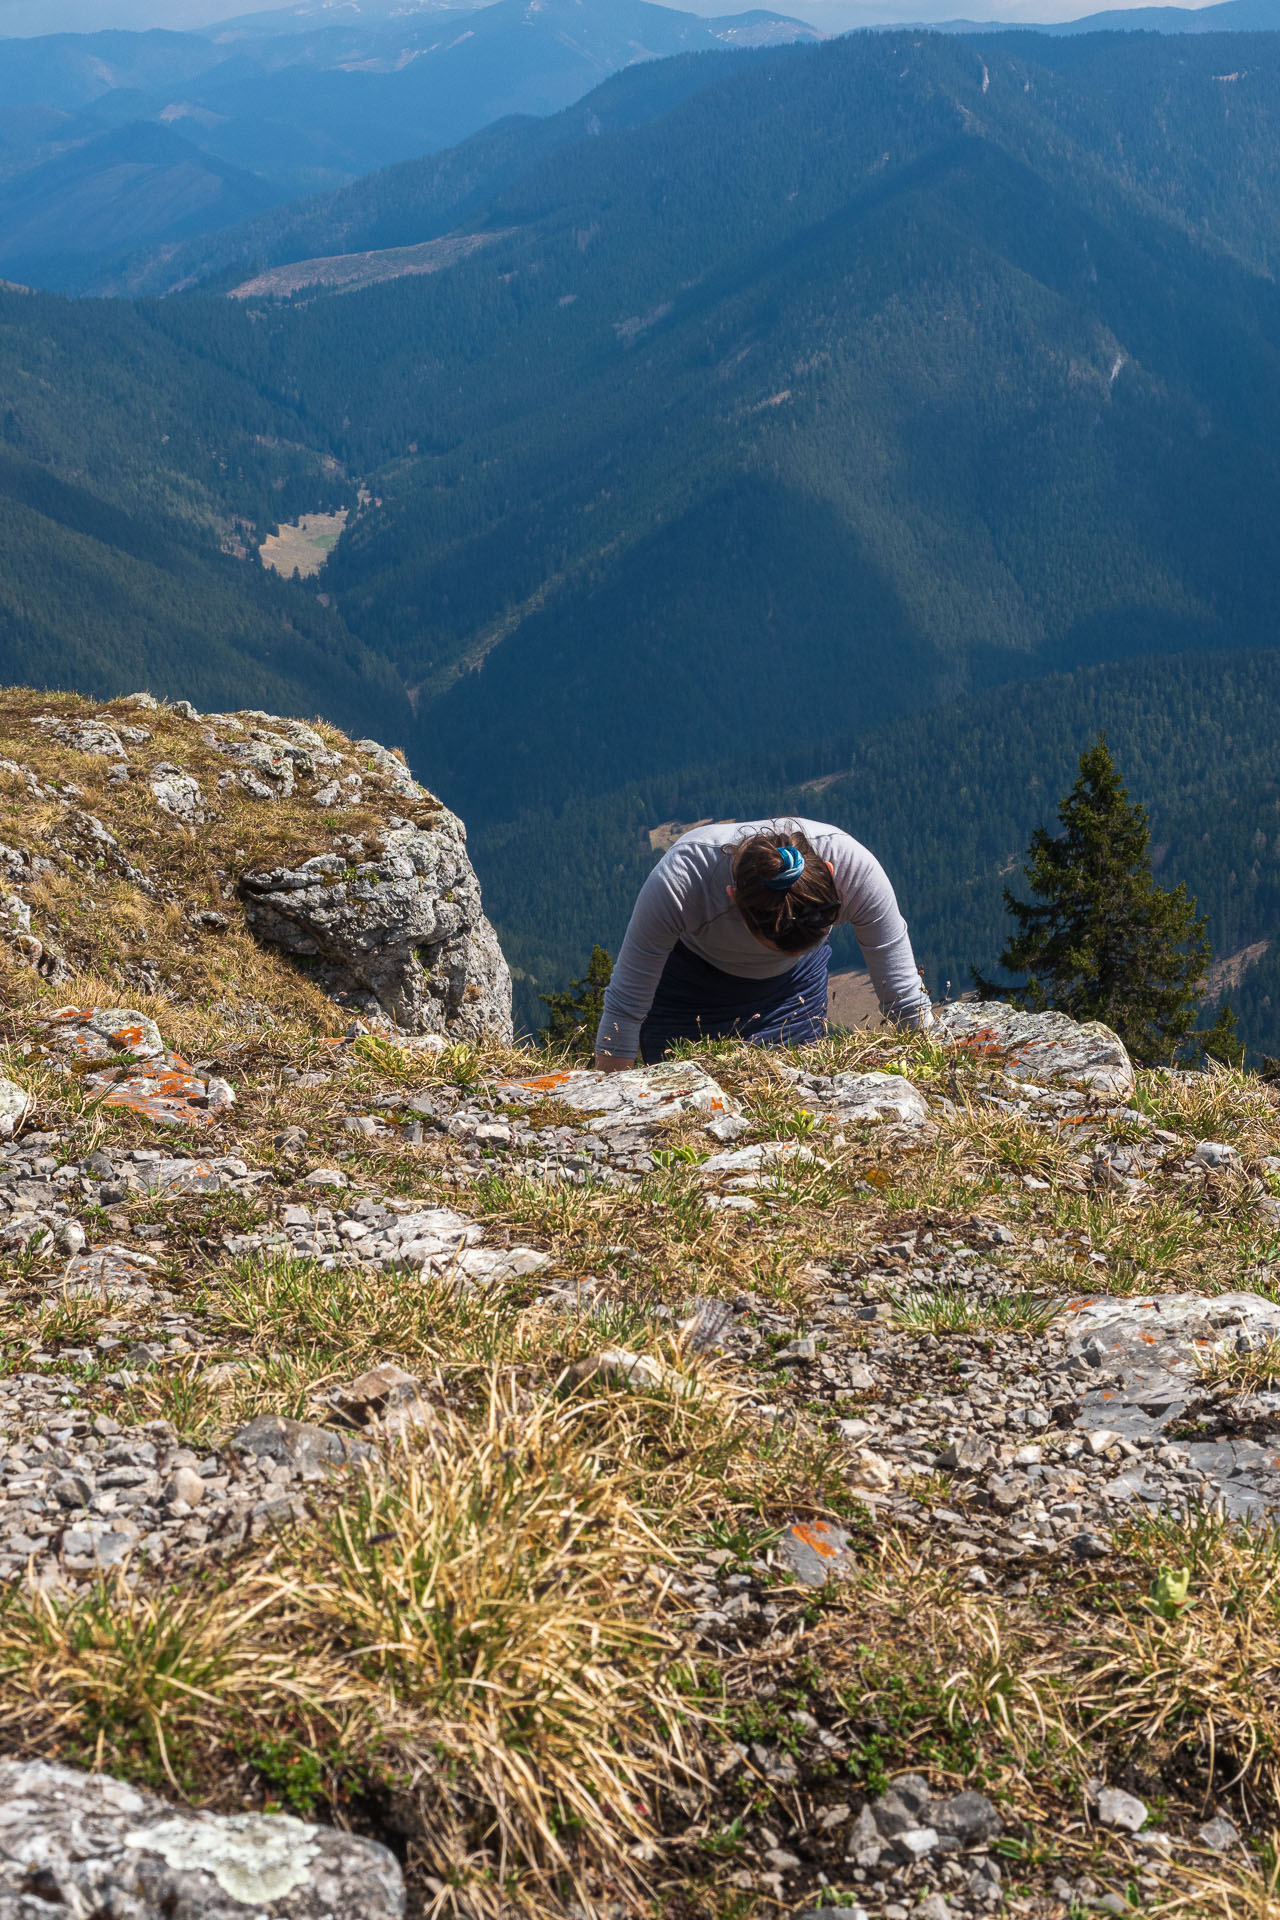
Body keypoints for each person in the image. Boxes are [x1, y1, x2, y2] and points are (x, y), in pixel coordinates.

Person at [594, 818, 931, 1069]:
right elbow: (625, 1006)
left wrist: (934, 1076)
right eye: (777, 944)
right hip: (690, 991)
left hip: (795, 985)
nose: (793, 951)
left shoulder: (856, 871)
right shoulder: (682, 880)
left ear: (830, 872)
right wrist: (609, 1105)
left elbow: (904, 996)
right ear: (733, 899)